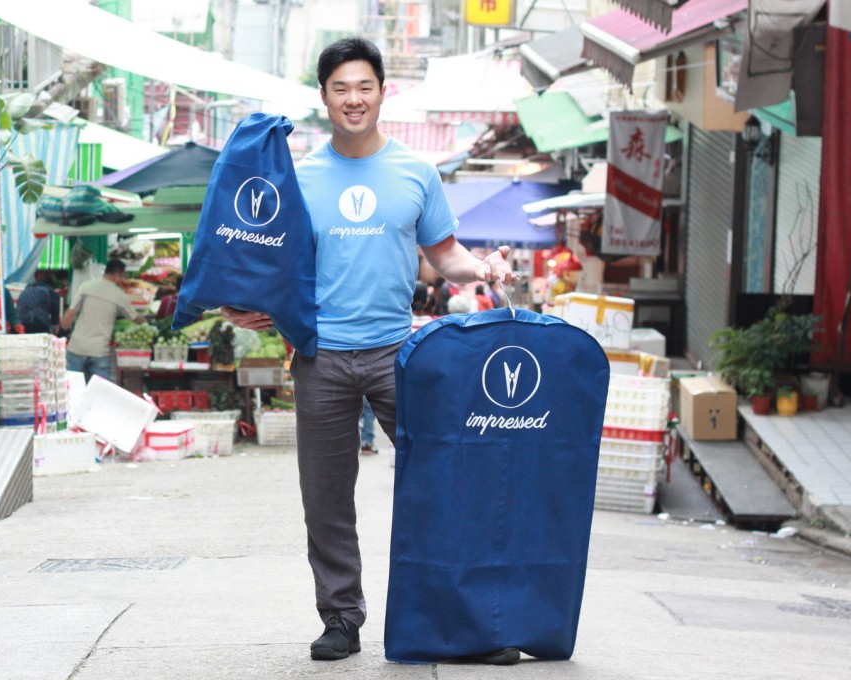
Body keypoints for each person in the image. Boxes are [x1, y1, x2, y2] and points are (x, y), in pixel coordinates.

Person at [220, 38, 517, 664]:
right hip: (321, 357)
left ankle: (460, 618)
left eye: (364, 86)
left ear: (384, 91)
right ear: (324, 96)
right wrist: (241, 302)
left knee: (440, 480)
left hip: (400, 355)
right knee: (326, 496)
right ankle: (341, 619)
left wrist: (483, 267)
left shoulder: (417, 172)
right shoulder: (298, 179)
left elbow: (445, 255)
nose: (353, 99)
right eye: (340, 88)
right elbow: (273, 266)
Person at [60, 258, 146, 383]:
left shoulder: (86, 286)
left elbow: (70, 314)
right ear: (117, 276)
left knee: (70, 388)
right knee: (99, 391)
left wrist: (62, 332)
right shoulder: (119, 295)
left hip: (77, 347)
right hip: (99, 352)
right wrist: (149, 325)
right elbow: (136, 318)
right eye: (122, 276)